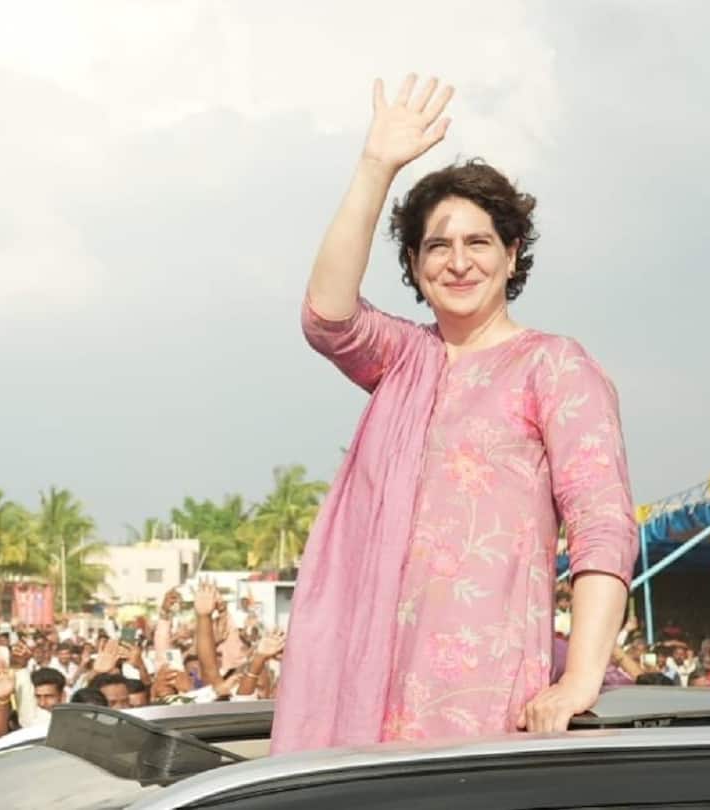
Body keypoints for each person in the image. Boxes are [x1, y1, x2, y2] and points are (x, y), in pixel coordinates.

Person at [273, 74, 637, 754]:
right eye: (438, 245)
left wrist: (580, 678)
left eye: (479, 242)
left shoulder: (554, 367)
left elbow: (603, 523)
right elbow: (326, 316)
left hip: (485, 699)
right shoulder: (407, 359)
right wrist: (375, 166)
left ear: (512, 253)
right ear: (414, 263)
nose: (459, 261)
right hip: (371, 685)